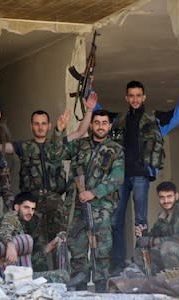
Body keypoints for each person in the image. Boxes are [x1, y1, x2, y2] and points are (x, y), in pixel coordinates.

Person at [0, 93, 97, 269]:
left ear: (49, 126)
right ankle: (39, 278)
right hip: (33, 202)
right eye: (36, 124)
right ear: (31, 126)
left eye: (43, 124)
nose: (40, 127)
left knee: (60, 241)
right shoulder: (23, 146)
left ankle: (61, 277)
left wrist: (90, 110)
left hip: (55, 201)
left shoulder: (57, 143)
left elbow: (80, 132)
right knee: (37, 243)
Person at [110, 77, 179, 274]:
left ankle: (141, 263)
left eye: (138, 95)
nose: (135, 99)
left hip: (141, 176)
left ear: (144, 97)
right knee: (115, 220)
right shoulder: (119, 120)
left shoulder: (154, 120)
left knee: (140, 221)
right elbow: (98, 114)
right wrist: (88, 93)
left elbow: (177, 116)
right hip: (120, 177)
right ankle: (117, 263)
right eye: (132, 96)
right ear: (126, 98)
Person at [50, 109, 124, 292]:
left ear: (109, 125)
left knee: (101, 250)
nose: (100, 126)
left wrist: (94, 192)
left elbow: (117, 177)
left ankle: (101, 290)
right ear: (91, 125)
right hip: (76, 205)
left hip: (101, 207)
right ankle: (79, 289)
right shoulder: (79, 145)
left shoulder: (116, 149)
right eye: (97, 122)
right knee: (77, 249)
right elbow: (56, 153)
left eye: (104, 123)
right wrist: (59, 131)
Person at [134, 181, 179, 275]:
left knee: (168, 247)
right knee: (139, 252)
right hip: (172, 257)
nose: (166, 201)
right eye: (162, 197)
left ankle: (175, 283)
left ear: (176, 196)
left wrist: (150, 241)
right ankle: (154, 280)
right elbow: (151, 238)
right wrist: (143, 234)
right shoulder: (162, 218)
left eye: (169, 196)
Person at [0, 192, 69, 282]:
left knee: (43, 262)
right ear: (17, 207)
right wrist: (10, 246)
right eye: (26, 207)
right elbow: (3, 230)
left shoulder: (26, 224)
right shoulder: (12, 216)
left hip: (23, 271)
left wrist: (53, 243)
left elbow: (34, 258)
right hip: (14, 274)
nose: (30, 212)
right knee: (62, 275)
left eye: (32, 209)